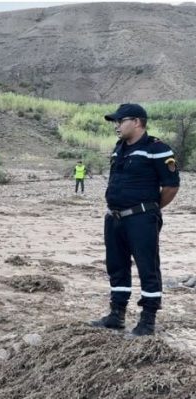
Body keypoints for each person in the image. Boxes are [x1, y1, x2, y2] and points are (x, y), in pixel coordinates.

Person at [90, 103, 179, 336]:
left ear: (137, 122)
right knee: (117, 267)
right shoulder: (119, 148)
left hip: (141, 219)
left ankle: (147, 320)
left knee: (147, 267)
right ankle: (116, 314)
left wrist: (149, 209)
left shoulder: (156, 148)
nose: (117, 126)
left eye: (121, 121)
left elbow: (171, 186)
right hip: (115, 218)